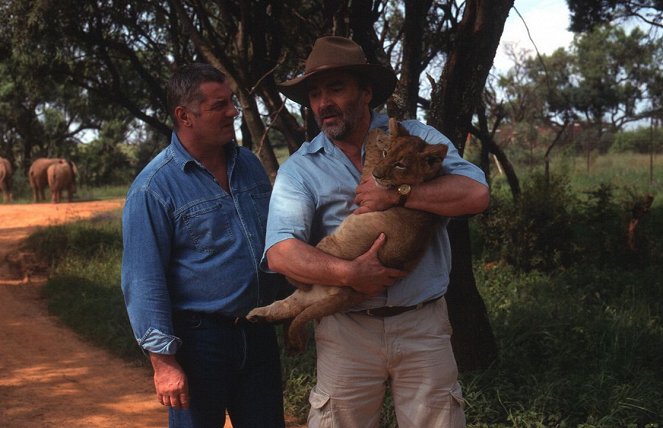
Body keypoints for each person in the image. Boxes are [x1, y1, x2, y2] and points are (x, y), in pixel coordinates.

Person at [264, 36, 490, 427]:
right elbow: (280, 253)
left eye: (336, 88)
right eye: (315, 94)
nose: (323, 103)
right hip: (346, 331)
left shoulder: (420, 139)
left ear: (366, 92)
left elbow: (475, 195)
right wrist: (349, 274)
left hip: (422, 324)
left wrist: (399, 194)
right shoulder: (301, 169)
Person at [121, 63, 285, 428]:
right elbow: (143, 280)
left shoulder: (249, 165)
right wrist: (164, 363)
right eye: (218, 106)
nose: (232, 112)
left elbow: (275, 242)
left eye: (232, 103)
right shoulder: (154, 188)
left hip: (259, 334)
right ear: (185, 116)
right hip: (199, 344)